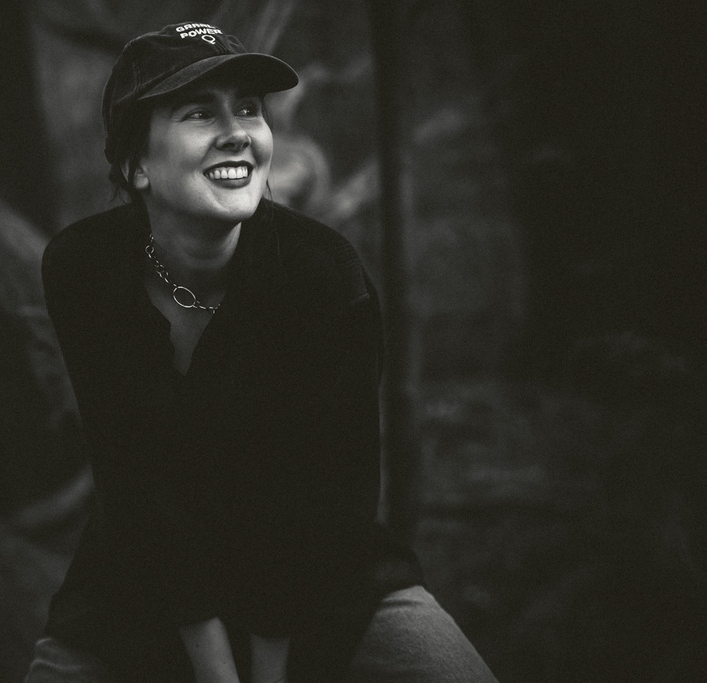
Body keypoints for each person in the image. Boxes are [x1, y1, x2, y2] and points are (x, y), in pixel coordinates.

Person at [25, 22, 498, 683]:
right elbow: (136, 480)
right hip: (150, 569)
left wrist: (269, 671)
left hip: (319, 573)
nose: (237, 132)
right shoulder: (85, 267)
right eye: (199, 113)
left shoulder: (324, 276)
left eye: (248, 109)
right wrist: (216, 668)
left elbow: (330, 506)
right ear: (136, 165)